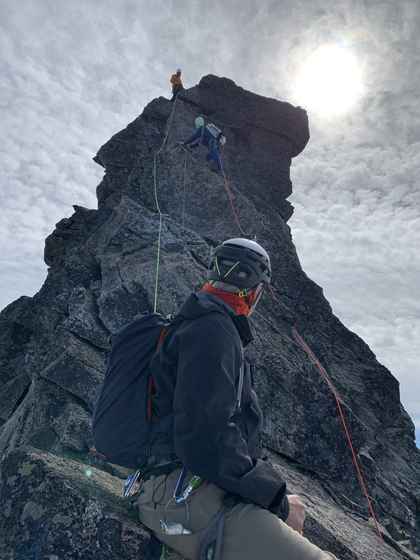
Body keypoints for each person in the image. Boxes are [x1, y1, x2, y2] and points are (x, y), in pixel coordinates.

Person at [136, 238, 338, 560]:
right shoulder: (213, 331)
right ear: (256, 290)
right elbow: (206, 437)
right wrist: (279, 502)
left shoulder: (201, 323)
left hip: (176, 489)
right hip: (181, 500)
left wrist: (275, 496)